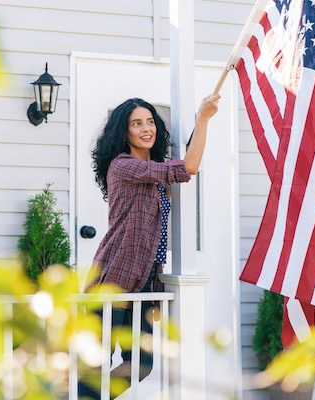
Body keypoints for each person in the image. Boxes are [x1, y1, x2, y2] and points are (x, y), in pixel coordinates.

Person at [78, 94, 220, 399]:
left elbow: (157, 236)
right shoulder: (123, 166)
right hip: (114, 280)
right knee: (93, 364)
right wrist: (204, 118)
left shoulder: (155, 172)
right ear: (124, 131)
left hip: (143, 282)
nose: (146, 128)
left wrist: (154, 285)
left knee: (140, 365)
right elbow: (189, 167)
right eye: (136, 123)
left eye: (150, 121)